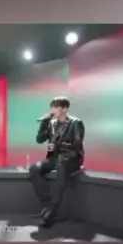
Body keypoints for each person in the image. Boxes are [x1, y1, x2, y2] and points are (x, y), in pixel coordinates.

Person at [29, 96, 85, 229]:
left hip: (71, 158)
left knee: (62, 165)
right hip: (54, 158)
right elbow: (39, 140)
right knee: (34, 169)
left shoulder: (76, 123)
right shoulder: (51, 123)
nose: (53, 110)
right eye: (52, 107)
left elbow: (77, 145)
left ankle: (51, 212)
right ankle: (48, 204)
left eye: (56, 107)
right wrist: (43, 123)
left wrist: (59, 145)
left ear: (64, 109)